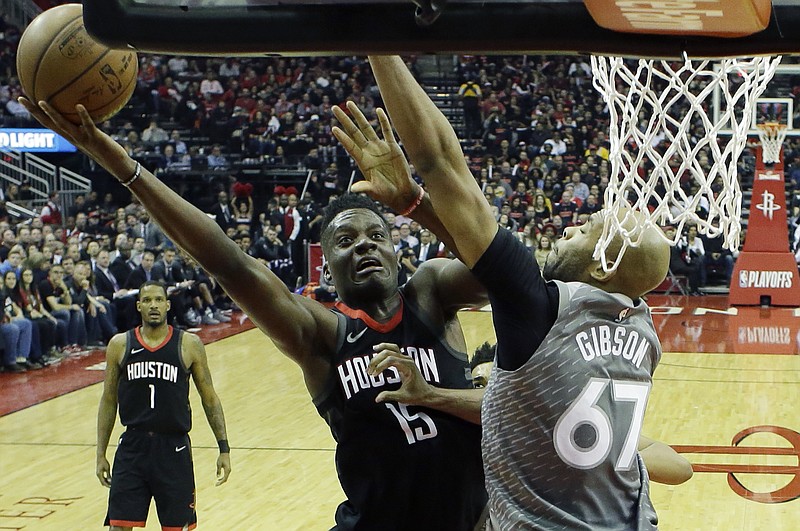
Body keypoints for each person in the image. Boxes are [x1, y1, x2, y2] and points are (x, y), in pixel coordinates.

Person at [22, 98, 489, 530]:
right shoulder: (323, 334)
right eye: (346, 241)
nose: (364, 244)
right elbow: (230, 263)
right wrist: (125, 168)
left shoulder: (431, 293)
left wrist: (414, 202)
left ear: (396, 248)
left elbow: (499, 265)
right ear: (326, 264)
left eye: (375, 235)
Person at [332, 56, 671, 530]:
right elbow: (490, 271)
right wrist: (414, 205)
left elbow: (440, 163)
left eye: (586, 230)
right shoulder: (642, 329)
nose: (571, 226)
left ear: (604, 264)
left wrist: (379, 40)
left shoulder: (542, 311)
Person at [96, 281, 231, 530]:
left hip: (174, 449)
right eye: (147, 301)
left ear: (168, 305)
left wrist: (224, 448)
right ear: (138, 306)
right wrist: (100, 453)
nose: (153, 305)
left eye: (158, 300)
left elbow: (209, 398)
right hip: (132, 448)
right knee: (119, 526)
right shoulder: (120, 345)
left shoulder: (189, 344)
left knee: (176, 527)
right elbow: (108, 400)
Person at [469, 342, 693, 486]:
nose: (488, 394)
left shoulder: (556, 428)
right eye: (480, 385)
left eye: (498, 386)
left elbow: (679, 467)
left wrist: (598, 465)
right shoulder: (459, 438)